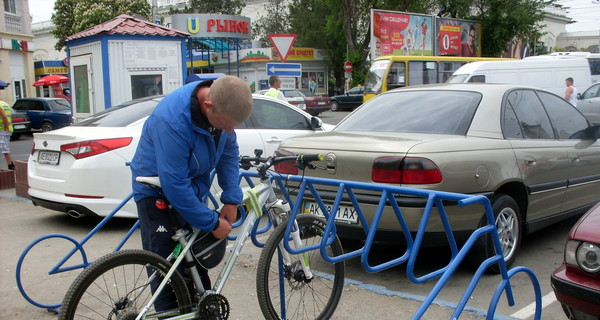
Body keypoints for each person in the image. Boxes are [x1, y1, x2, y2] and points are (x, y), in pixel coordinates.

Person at [130, 75, 252, 308]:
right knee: (165, 272)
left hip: (190, 189)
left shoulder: (222, 103)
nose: (228, 130)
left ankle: (201, 309)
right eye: (225, 124)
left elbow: (228, 151)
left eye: (232, 126)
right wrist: (213, 224)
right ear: (208, 105)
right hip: (156, 191)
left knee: (195, 262)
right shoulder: (172, 121)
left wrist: (231, 199)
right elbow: (174, 184)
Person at [0, 99, 14, 170]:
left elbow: (4, 116)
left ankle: (10, 165)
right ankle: (10, 164)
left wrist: (5, 127)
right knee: (4, 146)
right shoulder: (4, 103)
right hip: (8, 128)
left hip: (3, 129)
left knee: (4, 147)